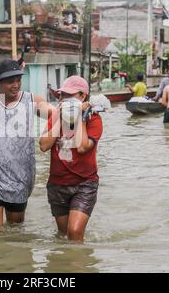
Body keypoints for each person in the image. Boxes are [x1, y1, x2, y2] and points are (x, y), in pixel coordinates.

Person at [0, 59, 54, 231]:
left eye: (18, 80)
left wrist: (75, 111)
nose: (16, 85)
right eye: (10, 81)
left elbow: (54, 114)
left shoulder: (31, 100)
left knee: (15, 228)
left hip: (20, 177)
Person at [39, 76, 103, 242]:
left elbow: (82, 147)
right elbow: (44, 146)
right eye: (62, 96)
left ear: (82, 96)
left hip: (84, 184)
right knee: (63, 235)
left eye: (69, 95)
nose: (63, 99)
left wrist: (80, 116)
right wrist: (60, 117)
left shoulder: (94, 119)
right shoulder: (56, 116)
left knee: (74, 233)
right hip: (58, 184)